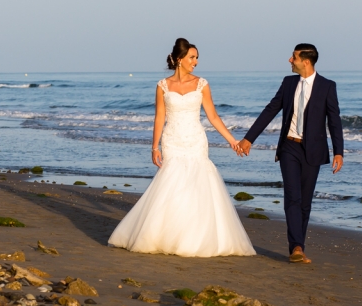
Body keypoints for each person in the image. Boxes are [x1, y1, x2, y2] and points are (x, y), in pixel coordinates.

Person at [108, 38, 256, 257]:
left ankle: (194, 237)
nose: (195, 62)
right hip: (172, 139)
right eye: (192, 57)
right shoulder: (162, 86)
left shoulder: (202, 84)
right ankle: (166, 235)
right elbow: (160, 117)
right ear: (180, 59)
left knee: (197, 185)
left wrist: (232, 141)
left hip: (195, 139)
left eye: (196, 58)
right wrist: (154, 147)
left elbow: (213, 116)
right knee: (172, 185)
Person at [237, 44, 343, 264]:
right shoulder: (288, 83)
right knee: (292, 197)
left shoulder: (327, 86)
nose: (289, 60)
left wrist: (338, 152)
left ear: (306, 61)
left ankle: (299, 246)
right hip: (289, 147)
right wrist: (249, 138)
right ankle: (296, 247)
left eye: (293, 57)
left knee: (305, 202)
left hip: (313, 150)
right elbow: (270, 110)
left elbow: (334, 121)